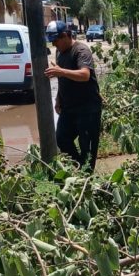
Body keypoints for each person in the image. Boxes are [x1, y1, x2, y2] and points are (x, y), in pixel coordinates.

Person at [45, 19, 102, 171]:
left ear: (65, 35)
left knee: (87, 150)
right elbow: (62, 79)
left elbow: (85, 75)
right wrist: (58, 99)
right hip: (69, 109)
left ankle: (87, 179)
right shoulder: (59, 52)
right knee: (62, 138)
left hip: (88, 109)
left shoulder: (81, 51)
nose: (54, 45)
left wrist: (61, 71)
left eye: (56, 41)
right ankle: (79, 171)